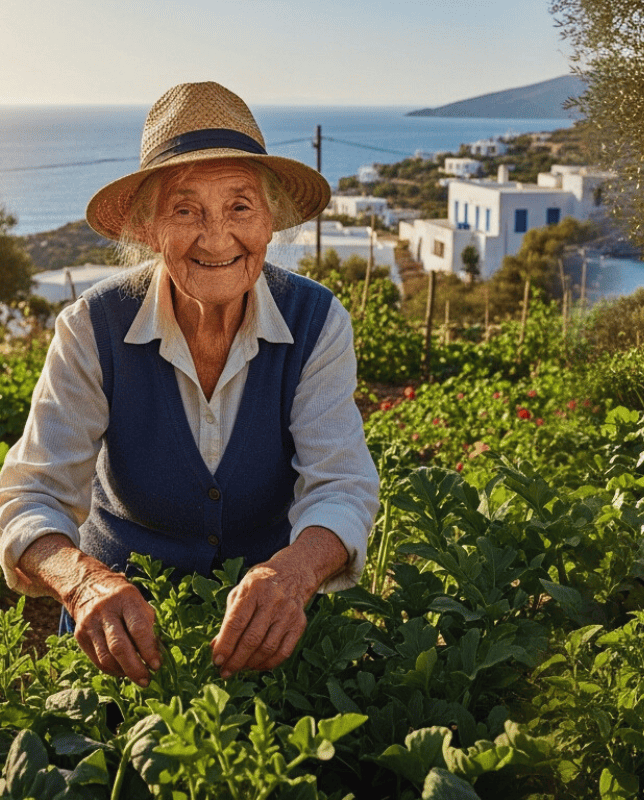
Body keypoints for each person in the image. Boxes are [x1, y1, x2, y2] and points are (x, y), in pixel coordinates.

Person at [0, 82, 379, 688]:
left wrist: (293, 574)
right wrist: (84, 581)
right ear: (148, 229)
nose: (216, 237)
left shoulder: (316, 321)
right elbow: (29, 495)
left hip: (268, 630)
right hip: (120, 639)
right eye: (185, 209)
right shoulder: (90, 328)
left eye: (240, 207)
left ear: (271, 222)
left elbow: (342, 481)